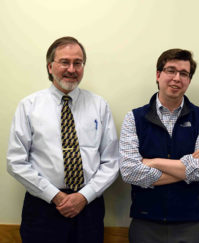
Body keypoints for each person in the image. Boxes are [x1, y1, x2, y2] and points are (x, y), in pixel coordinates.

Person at [7, 36, 119, 243]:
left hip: (88, 207)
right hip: (43, 206)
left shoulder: (99, 106)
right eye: (64, 62)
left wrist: (84, 196)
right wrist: (56, 196)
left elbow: (111, 161)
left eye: (78, 63)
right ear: (50, 67)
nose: (72, 69)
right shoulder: (29, 106)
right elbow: (16, 162)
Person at [119, 48, 199, 243]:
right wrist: (187, 167)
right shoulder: (134, 118)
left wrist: (152, 162)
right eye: (170, 70)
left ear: (189, 80)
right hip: (146, 222)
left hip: (192, 223)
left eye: (184, 73)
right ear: (158, 75)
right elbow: (129, 172)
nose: (177, 78)